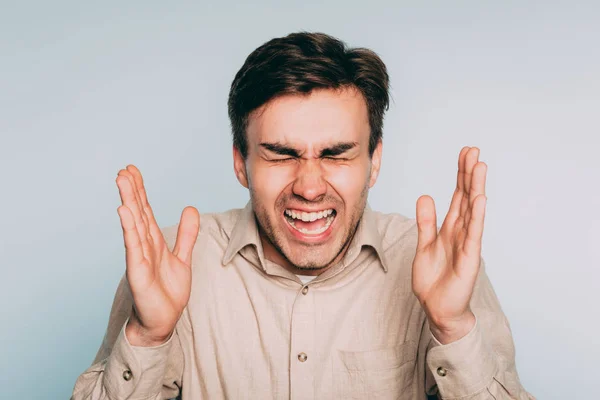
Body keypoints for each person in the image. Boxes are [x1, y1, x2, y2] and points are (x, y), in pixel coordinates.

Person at [72, 32, 533, 400]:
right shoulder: (168, 263)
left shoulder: (437, 264)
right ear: (240, 162)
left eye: (336, 154)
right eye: (280, 154)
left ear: (374, 162)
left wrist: (453, 329)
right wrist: (149, 335)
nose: (309, 186)